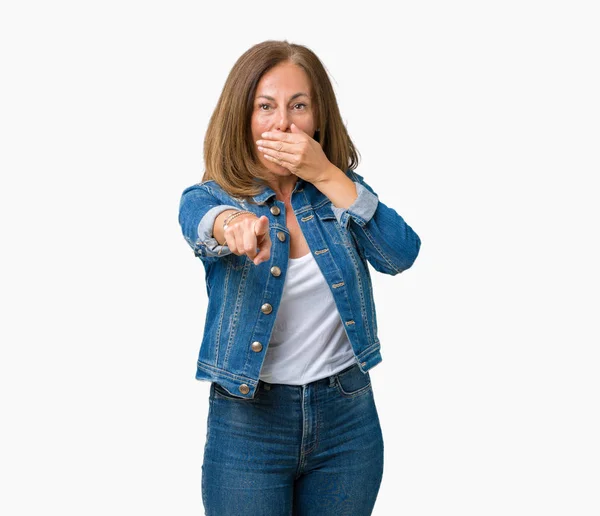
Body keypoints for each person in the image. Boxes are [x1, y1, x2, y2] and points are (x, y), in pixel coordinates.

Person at [178, 40, 421, 516]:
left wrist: (328, 173)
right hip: (248, 423)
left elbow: (401, 255)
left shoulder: (341, 191)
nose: (283, 123)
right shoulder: (210, 195)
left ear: (317, 118)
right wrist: (233, 226)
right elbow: (204, 221)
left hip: (346, 419)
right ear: (242, 118)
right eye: (265, 107)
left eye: (299, 106)